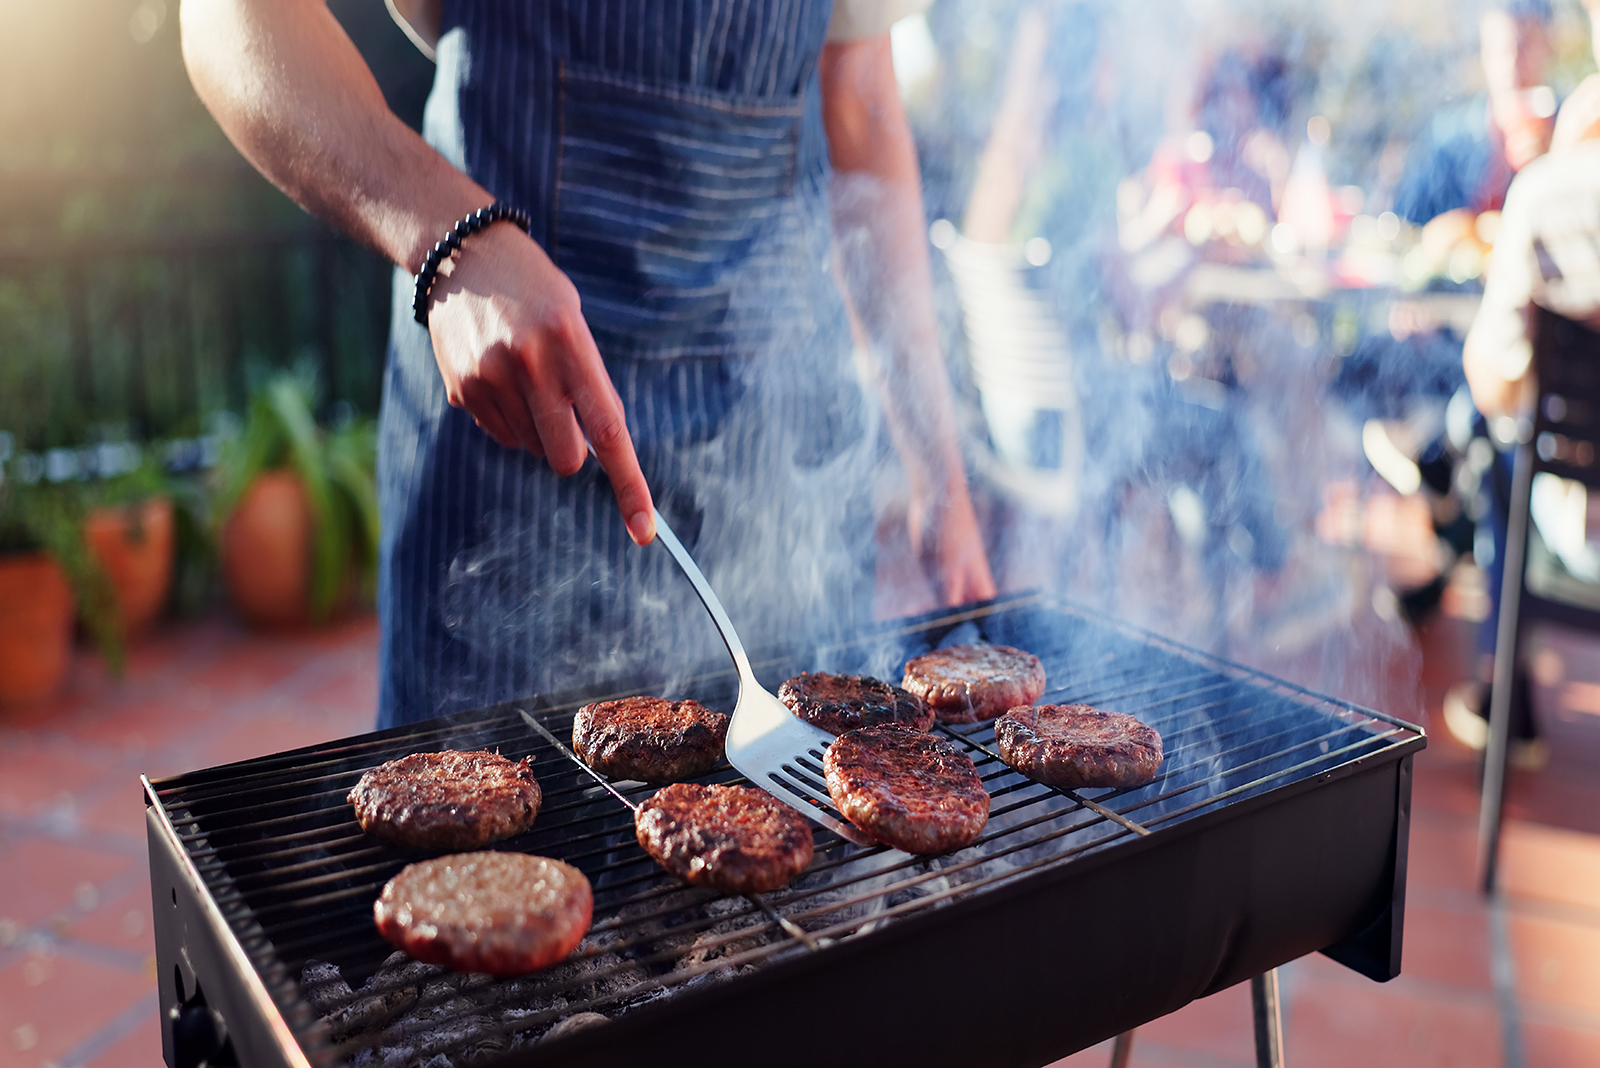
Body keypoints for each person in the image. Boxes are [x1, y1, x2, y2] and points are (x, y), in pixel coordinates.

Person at [181, 0, 995, 725]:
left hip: (777, 454)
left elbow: (862, 99)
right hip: (506, 448)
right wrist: (448, 236)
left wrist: (940, 478)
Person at [1449, 40, 1600, 756]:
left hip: (1584, 539)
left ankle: (1504, 696)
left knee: (1490, 433)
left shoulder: (1550, 192)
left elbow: (1495, 377)